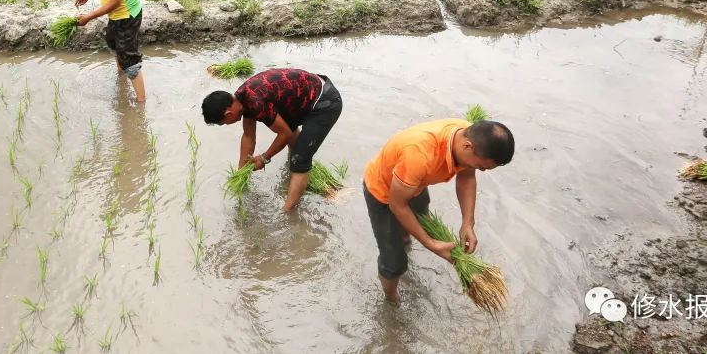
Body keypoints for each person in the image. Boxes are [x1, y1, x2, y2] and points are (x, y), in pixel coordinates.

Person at [362, 117, 514, 305]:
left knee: (416, 225)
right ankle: (391, 298)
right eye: (481, 166)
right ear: (467, 147)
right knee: (394, 262)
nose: (481, 171)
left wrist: (468, 222)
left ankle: (404, 240)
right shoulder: (419, 154)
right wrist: (429, 243)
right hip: (383, 194)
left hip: (413, 184)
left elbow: (466, 177)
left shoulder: (470, 135)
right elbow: (397, 205)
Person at [201, 68, 343, 211]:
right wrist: (241, 173)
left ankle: (288, 214)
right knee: (294, 145)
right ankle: (293, 177)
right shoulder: (241, 98)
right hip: (304, 96)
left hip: (324, 102)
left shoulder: (255, 102)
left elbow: (285, 134)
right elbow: (248, 136)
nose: (226, 124)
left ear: (228, 114)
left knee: (299, 160)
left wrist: (264, 158)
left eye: (223, 123)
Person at [70, 0, 145, 102]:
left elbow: (115, 2)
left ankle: (141, 105)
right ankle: (122, 76)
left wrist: (89, 17)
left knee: (129, 59)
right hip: (118, 14)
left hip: (127, 14)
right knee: (112, 41)